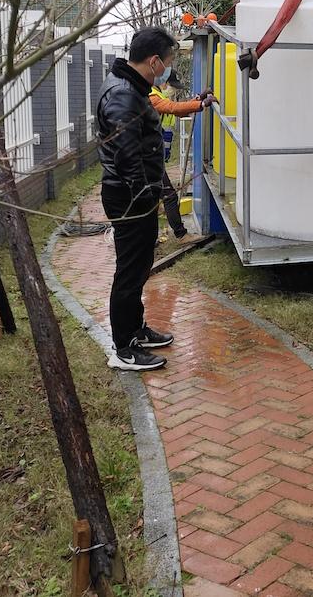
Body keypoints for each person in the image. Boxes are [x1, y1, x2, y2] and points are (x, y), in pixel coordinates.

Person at [96, 26, 178, 371]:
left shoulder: (131, 86)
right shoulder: (123, 94)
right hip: (129, 197)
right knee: (129, 271)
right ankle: (124, 348)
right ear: (155, 60)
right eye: (169, 61)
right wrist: (145, 194)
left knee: (140, 266)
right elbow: (127, 154)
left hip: (136, 194)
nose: (169, 69)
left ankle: (136, 329)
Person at [148, 76, 215, 241]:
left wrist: (199, 98)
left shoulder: (158, 95)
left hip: (152, 155)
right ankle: (181, 234)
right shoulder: (151, 96)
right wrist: (201, 104)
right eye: (171, 86)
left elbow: (179, 111)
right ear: (162, 82)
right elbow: (172, 107)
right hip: (148, 158)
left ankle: (150, 237)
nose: (173, 90)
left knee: (153, 197)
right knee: (168, 195)